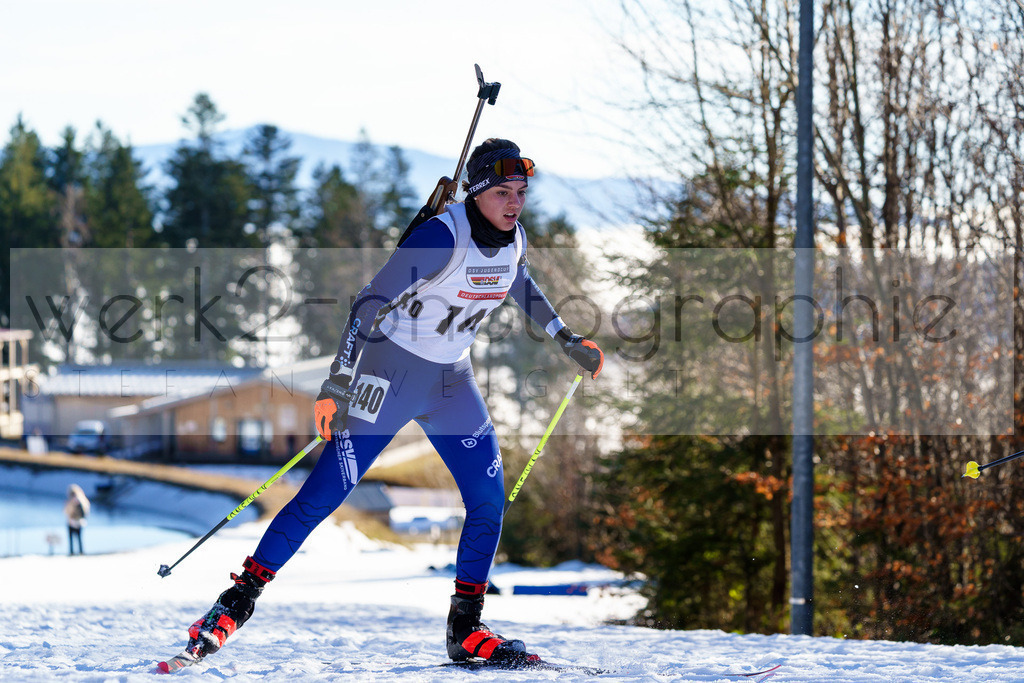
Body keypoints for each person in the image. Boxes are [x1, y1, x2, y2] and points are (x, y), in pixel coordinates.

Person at [178, 139, 604, 667]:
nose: (514, 202)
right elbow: (368, 303)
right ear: (474, 191)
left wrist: (566, 338)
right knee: (325, 493)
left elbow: (519, 281)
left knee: (489, 499)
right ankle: (231, 606)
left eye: (521, 191)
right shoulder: (438, 237)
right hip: (392, 373)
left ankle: (466, 629)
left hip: (452, 381)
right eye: (501, 191)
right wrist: (338, 381)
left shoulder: (513, 236)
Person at [64, 484, 90, 555]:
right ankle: (79, 552)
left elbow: (66, 511)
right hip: (77, 522)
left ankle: (74, 552)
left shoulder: (74, 501)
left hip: (74, 522)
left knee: (73, 539)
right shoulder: (82, 500)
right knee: (77, 538)